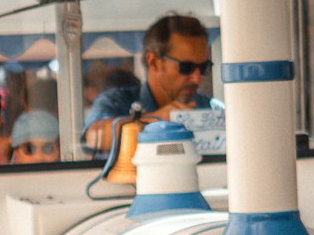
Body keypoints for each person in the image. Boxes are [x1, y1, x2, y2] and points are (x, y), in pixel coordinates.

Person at [83, 13, 216, 152]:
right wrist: (156, 120)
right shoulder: (116, 102)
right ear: (154, 62)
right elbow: (94, 137)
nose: (197, 78)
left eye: (203, 67)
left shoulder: (208, 108)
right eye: (186, 67)